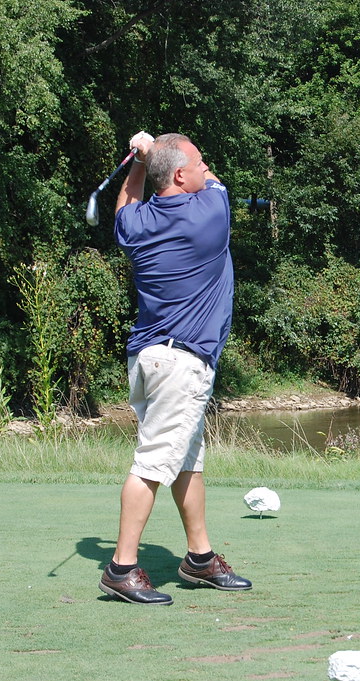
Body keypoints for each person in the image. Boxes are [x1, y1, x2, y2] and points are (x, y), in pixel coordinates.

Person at [98, 131, 251, 605]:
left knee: (187, 460)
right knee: (151, 465)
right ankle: (121, 568)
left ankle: (199, 559)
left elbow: (126, 202)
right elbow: (215, 185)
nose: (207, 170)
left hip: (148, 359)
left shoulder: (137, 224)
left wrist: (141, 160)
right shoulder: (209, 213)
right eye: (200, 163)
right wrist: (154, 156)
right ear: (181, 176)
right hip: (181, 363)